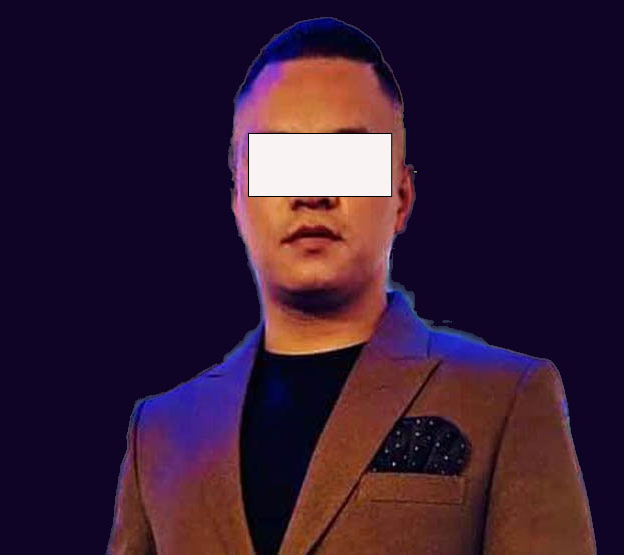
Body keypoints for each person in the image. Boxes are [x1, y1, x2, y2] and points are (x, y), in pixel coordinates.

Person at [107, 17, 594, 554]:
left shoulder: (505, 399)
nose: (312, 193)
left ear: (401, 198)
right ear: (238, 199)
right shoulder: (160, 432)